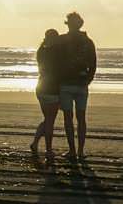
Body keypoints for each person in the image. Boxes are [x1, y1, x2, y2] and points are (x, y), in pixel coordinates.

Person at [55, 11, 97, 160]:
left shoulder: (61, 40)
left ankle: (73, 150)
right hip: (81, 83)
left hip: (66, 84)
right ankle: (79, 151)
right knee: (81, 118)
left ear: (68, 24)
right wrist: (88, 80)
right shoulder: (88, 41)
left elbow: (55, 64)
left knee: (68, 118)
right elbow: (93, 63)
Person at [30, 28, 63, 157]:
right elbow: (58, 72)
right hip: (51, 89)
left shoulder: (41, 51)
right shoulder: (55, 53)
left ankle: (35, 143)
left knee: (48, 119)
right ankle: (48, 150)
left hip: (41, 88)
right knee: (50, 121)